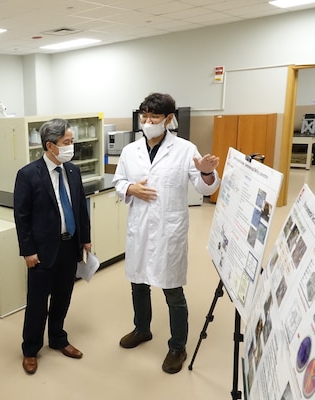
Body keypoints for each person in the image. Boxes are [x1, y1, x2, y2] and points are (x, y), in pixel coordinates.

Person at [113, 93, 221, 374]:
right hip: (140, 228)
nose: (147, 122)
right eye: (144, 116)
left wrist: (207, 173)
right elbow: (119, 181)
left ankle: (177, 346)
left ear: (169, 119)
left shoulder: (185, 149)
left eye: (154, 117)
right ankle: (142, 329)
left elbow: (204, 187)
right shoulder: (130, 151)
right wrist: (130, 188)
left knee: (172, 290)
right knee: (138, 284)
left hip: (168, 231)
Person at [13, 118, 92, 375]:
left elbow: (81, 208)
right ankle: (30, 349)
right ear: (50, 146)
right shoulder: (28, 175)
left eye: (72, 141)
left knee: (63, 297)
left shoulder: (72, 170)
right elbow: (21, 217)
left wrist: (86, 239)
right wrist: (28, 251)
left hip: (69, 246)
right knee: (37, 302)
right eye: (66, 143)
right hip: (42, 250)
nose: (71, 147)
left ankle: (58, 338)